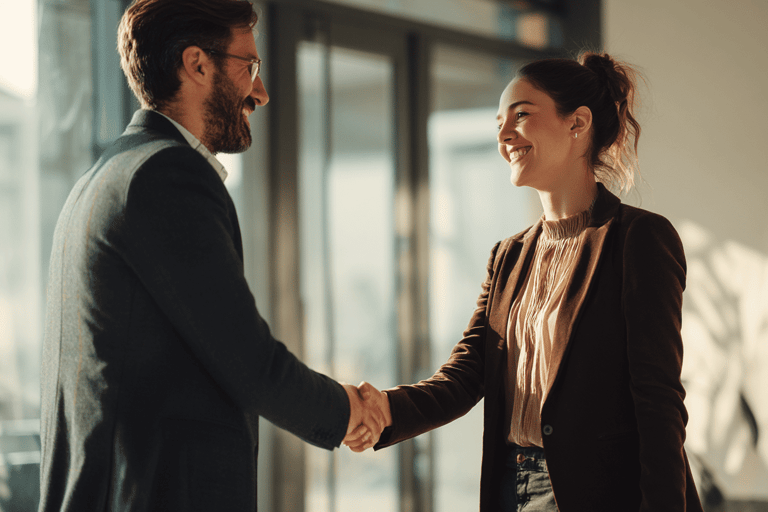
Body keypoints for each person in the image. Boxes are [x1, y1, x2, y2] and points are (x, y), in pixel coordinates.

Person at [38, 1, 384, 510]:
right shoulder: (166, 176)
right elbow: (246, 357)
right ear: (197, 64)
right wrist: (346, 411)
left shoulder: (104, 177)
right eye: (250, 66)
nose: (260, 93)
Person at [345, 52, 704, 511]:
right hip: (511, 488)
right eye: (499, 121)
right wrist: (382, 411)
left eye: (522, 115)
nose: (503, 134)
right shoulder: (509, 256)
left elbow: (658, 399)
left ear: (578, 124)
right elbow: (465, 376)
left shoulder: (638, 239)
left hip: (600, 495)